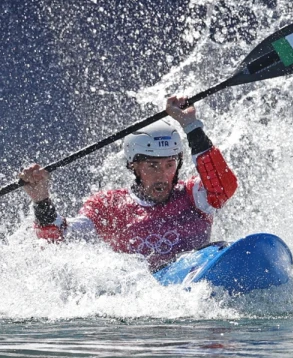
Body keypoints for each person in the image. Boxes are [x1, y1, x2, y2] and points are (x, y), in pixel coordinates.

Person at [17, 96, 239, 270]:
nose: (163, 175)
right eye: (152, 166)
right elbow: (58, 238)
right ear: (134, 166)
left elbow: (224, 186)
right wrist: (41, 200)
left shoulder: (193, 194)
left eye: (170, 164)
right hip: (150, 295)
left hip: (198, 273)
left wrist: (191, 125)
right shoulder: (108, 206)